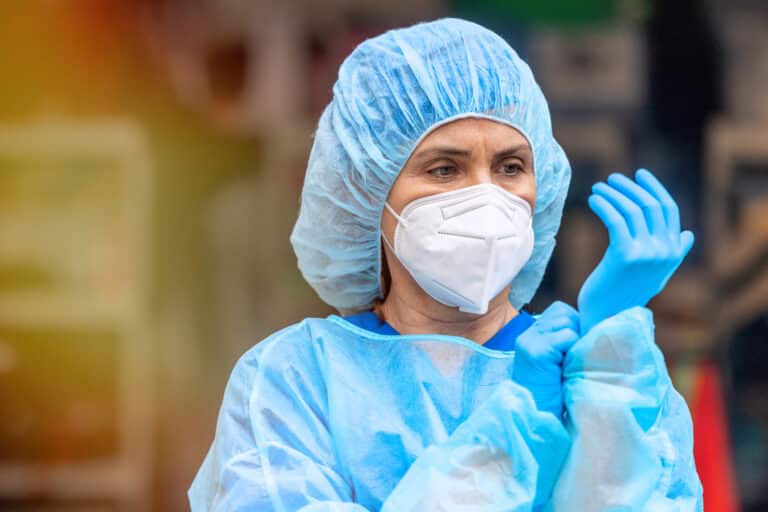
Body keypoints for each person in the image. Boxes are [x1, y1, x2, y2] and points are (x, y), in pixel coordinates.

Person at [189, 18, 702, 511]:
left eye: (510, 166)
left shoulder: (600, 373)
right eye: (444, 169)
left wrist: (607, 365)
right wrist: (515, 425)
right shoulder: (296, 381)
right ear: (369, 193)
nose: (485, 195)